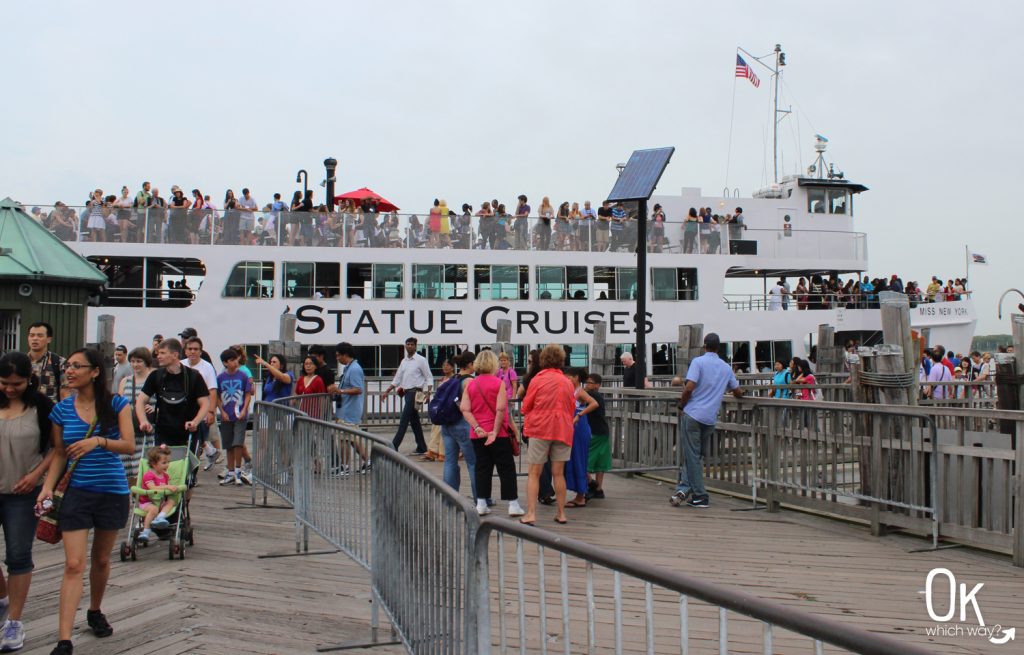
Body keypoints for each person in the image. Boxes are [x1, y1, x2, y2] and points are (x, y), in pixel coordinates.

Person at [39, 349, 135, 655]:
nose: (69, 370)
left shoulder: (117, 404)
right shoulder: (61, 410)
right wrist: (47, 488)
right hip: (77, 492)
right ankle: (64, 639)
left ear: (94, 372)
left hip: (112, 491)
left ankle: (94, 609)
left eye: (76, 366)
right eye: (68, 366)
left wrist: (99, 441)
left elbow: (129, 445)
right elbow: (59, 453)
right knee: (73, 564)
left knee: (102, 559)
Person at [0, 353, 56, 652]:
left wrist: (36, 475)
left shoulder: (42, 406)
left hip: (22, 494)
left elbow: (56, 448)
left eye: (16, 384)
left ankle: (14, 623)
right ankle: (2, 599)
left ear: (28, 380)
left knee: (18, 555)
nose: (10, 389)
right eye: (4, 383)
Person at [669, 333, 743, 509]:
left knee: (691, 455)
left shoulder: (698, 362)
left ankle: (701, 496)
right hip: (710, 418)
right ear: (719, 347)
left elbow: (689, 388)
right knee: (696, 456)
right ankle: (683, 489)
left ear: (704, 346)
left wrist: (681, 406)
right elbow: (737, 391)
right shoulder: (726, 367)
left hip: (693, 414)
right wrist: (742, 394)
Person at [520, 344, 576, 526]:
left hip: (540, 428)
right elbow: (572, 407)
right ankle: (561, 513)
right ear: (562, 360)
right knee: (558, 473)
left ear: (543, 360)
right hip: (562, 429)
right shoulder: (567, 382)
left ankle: (531, 514)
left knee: (534, 473)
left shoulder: (537, 380)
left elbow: (525, 406)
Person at [462, 350, 523, 517]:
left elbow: (464, 409)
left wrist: (476, 427)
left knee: (482, 468)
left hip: (478, 435)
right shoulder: (498, 383)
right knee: (506, 468)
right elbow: (501, 409)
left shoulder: (471, 384)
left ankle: (481, 503)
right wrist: (494, 432)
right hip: (499, 434)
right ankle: (513, 504)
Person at [135, 339, 210, 450]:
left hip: (187, 434)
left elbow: (205, 403)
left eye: (162, 353)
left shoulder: (194, 376)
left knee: (186, 467)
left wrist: (195, 422)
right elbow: (140, 401)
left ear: (175, 355)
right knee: (162, 467)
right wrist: (143, 421)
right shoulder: (156, 375)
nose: (158, 356)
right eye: (158, 353)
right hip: (163, 434)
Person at [382, 338, 433, 454]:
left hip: (415, 393)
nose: (409, 346)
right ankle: (422, 447)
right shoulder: (404, 361)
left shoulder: (421, 360)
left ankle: (394, 446)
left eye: (411, 344)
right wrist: (387, 391)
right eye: (407, 344)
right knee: (414, 422)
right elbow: (397, 378)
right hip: (406, 393)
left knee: (404, 420)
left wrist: (428, 392)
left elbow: (428, 377)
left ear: (415, 346)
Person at [441, 352, 477, 500]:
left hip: (447, 424)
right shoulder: (469, 381)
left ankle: (450, 497)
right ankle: (480, 498)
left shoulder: (451, 379)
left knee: (450, 461)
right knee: (473, 462)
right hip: (463, 424)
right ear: (469, 364)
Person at [215, 349, 253, 487]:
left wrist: (244, 409)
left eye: (235, 359)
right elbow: (217, 396)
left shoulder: (242, 375)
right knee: (228, 444)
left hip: (240, 415)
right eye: (231, 360)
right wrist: (221, 410)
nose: (235, 362)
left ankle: (238, 470)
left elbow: (248, 393)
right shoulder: (220, 378)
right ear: (225, 362)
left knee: (238, 442)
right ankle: (230, 471)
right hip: (226, 415)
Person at [117, 347, 155, 484]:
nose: (135, 365)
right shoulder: (125, 381)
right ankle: (130, 498)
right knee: (126, 468)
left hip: (147, 430)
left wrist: (154, 408)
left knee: (144, 467)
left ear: (146, 362)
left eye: (139, 361)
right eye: (132, 361)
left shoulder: (153, 379)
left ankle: (141, 498)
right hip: (128, 428)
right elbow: (119, 403)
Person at [182, 337, 220, 470]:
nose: (192, 352)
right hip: (183, 411)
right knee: (185, 443)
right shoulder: (181, 364)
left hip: (201, 411)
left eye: (195, 349)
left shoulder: (206, 367)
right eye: (190, 349)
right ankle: (211, 451)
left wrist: (211, 411)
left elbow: (212, 391)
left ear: (200, 351)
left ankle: (192, 472)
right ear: (185, 351)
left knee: (196, 443)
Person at [564, 368, 598, 508]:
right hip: (574, 428)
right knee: (574, 459)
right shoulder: (572, 390)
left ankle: (581, 496)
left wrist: (579, 414)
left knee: (579, 459)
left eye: (569, 377)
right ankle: (582, 491)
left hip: (579, 428)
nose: (567, 379)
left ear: (577, 377)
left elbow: (594, 403)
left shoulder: (580, 391)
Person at [136, 446, 179, 543]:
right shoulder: (149, 475)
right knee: (153, 509)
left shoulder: (165, 476)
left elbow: (165, 489)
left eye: (168, 462)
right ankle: (146, 532)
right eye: (164, 463)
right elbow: (152, 488)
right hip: (147, 502)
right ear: (154, 464)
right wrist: (167, 487)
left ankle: (160, 517)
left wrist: (172, 488)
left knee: (171, 501)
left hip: (160, 502)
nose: (167, 465)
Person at [583, 373, 610, 500]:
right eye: (587, 382)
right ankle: (598, 489)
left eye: (590, 382)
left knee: (586, 460)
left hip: (595, 432)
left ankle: (590, 484)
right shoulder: (597, 396)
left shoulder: (592, 395)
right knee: (600, 461)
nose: (587, 384)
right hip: (602, 431)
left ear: (597, 385)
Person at [26, 322, 66, 403]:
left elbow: (66, 393)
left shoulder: (59, 363)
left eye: (40, 335)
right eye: (32, 335)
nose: (35, 338)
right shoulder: (20, 363)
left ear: (49, 339)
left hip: (50, 412)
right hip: (26, 412)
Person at [423, 359, 454, 462]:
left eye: (448, 365)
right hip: (439, 408)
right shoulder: (443, 379)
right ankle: (432, 451)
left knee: (442, 432)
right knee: (435, 429)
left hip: (447, 408)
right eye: (444, 365)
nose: (445, 367)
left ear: (452, 367)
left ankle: (441, 453)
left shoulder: (453, 379)